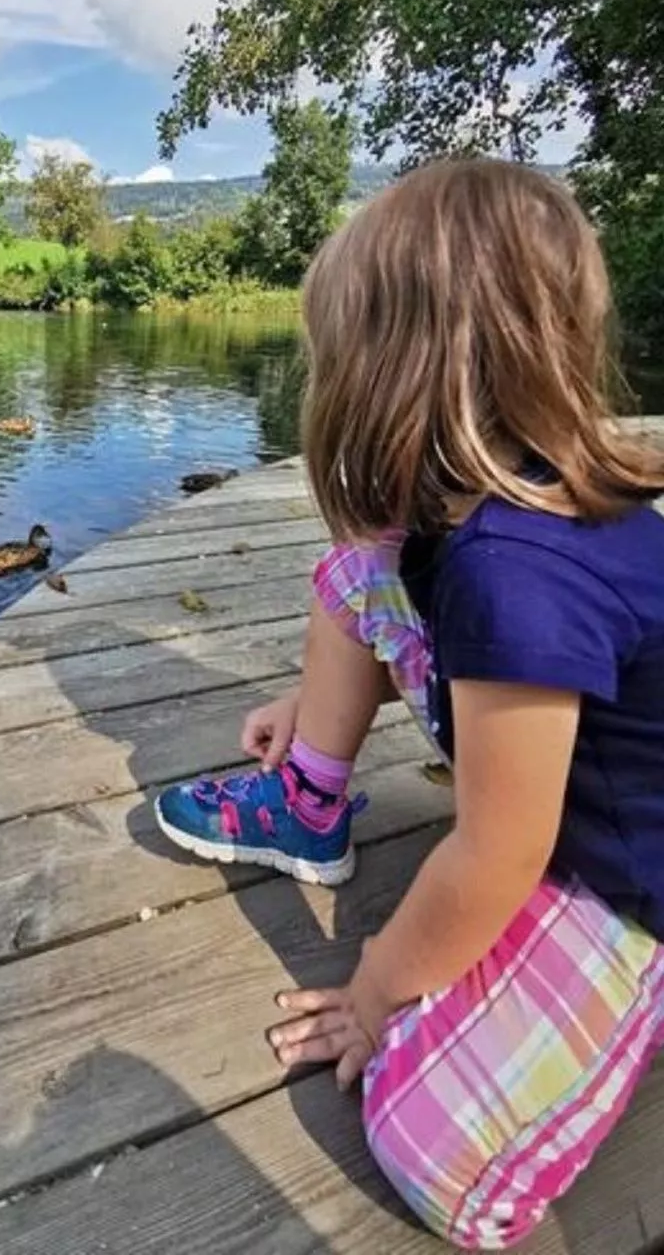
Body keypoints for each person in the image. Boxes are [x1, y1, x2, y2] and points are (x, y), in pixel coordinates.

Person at [155, 158, 664, 1250]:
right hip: (562, 808)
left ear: (403, 371)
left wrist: (379, 985)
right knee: (357, 570)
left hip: (630, 884)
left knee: (423, 1134)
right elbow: (371, 588)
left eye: (337, 358)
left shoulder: (516, 575)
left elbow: (493, 856)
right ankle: (311, 798)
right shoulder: (476, 508)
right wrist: (311, 704)